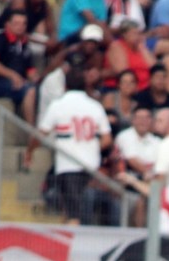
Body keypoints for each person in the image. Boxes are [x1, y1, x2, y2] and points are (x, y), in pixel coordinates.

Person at [33, 66, 112, 225]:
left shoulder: (58, 105)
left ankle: (74, 247)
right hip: (92, 166)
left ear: (65, 86)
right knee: (75, 210)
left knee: (73, 214)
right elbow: (107, 140)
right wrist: (91, 147)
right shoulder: (95, 106)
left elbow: (41, 134)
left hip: (68, 166)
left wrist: (29, 152)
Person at [0, 10, 37, 126]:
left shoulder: (25, 44)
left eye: (23, 24)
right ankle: (32, 131)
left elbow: (30, 69)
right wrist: (12, 75)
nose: (21, 27)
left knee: (36, 88)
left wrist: (35, 78)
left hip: (19, 83)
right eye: (16, 23)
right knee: (29, 90)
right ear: (7, 25)